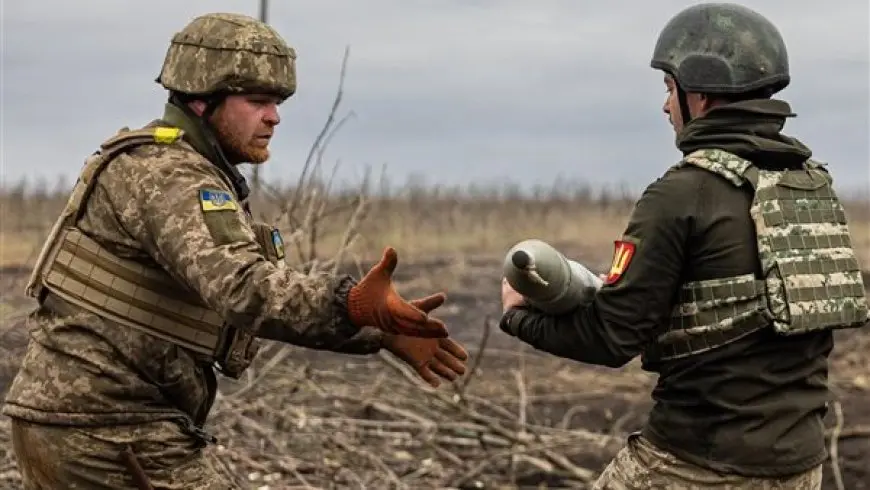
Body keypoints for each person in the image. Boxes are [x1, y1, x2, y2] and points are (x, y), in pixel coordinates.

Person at [2, 12, 469, 490]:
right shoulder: (168, 176)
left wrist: (378, 328)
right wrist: (351, 306)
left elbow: (226, 306)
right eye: (258, 101)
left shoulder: (178, 169)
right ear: (202, 102)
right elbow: (245, 289)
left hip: (92, 421)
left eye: (278, 102)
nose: (275, 116)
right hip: (108, 429)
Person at [499, 3, 869, 489]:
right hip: (800, 468)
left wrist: (518, 315)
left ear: (700, 94)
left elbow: (610, 338)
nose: (666, 106)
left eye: (670, 89)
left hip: (694, 464)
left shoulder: (681, 193)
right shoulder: (812, 187)